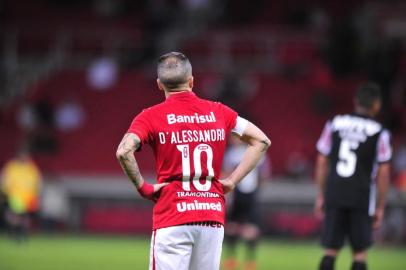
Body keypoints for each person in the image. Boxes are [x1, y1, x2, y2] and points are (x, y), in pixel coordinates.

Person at [116, 52, 270, 270]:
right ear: (191, 81)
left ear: (159, 84)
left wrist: (143, 188)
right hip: (211, 218)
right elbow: (261, 141)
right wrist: (232, 181)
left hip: (173, 216)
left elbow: (123, 151)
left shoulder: (150, 116)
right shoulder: (220, 112)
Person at [314, 82, 392, 270]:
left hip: (335, 194)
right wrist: (380, 206)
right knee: (359, 253)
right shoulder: (379, 132)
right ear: (376, 105)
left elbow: (322, 162)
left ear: (355, 101)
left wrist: (322, 195)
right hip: (362, 197)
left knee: (330, 251)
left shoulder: (335, 123)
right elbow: (383, 172)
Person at [222, 135, 271, 270]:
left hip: (251, 195)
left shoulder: (258, 152)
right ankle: (231, 260)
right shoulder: (231, 154)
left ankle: (250, 262)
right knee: (232, 228)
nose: (233, 140)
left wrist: (257, 189)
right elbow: (226, 173)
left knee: (251, 229)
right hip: (237, 194)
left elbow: (264, 175)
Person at [1, 147, 42, 242]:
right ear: (18, 156)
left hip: (28, 197)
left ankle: (22, 235)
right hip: (15, 196)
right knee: (14, 216)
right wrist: (5, 193)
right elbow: (5, 180)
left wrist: (37, 195)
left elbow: (37, 182)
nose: (24, 158)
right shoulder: (11, 167)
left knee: (25, 217)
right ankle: (14, 233)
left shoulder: (31, 168)